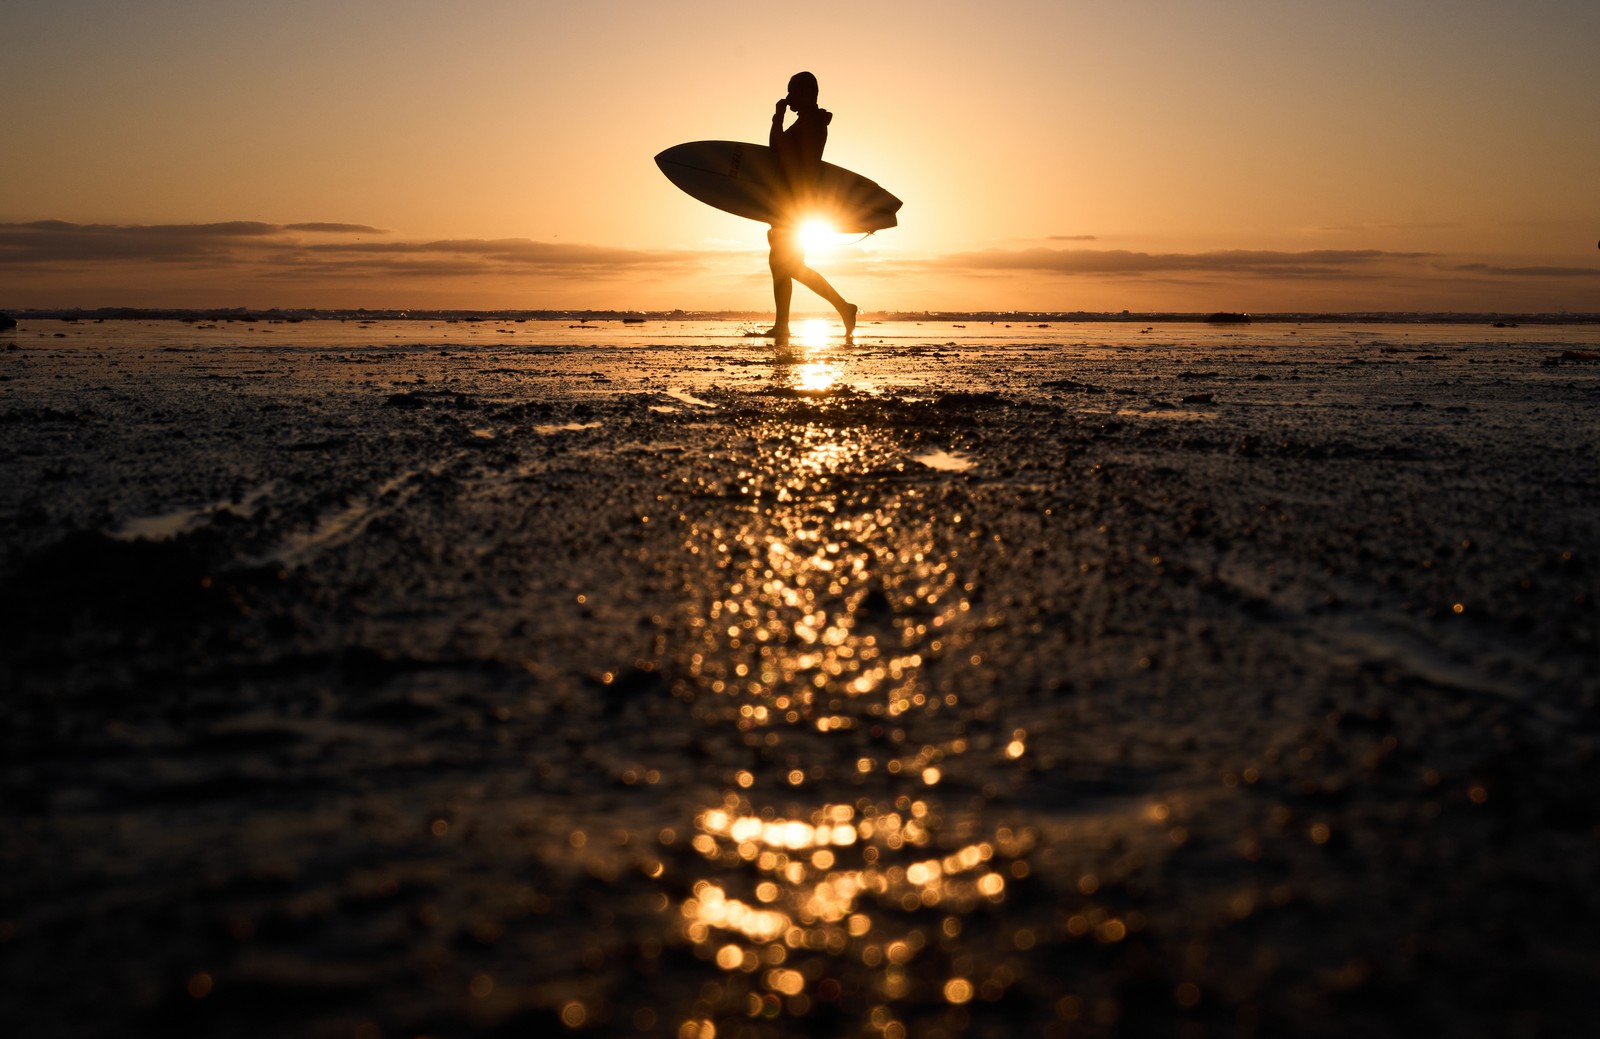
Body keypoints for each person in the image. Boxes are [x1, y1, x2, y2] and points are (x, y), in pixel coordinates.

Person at [763, 71, 857, 344]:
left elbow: (779, 149)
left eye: (793, 93)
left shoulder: (813, 124)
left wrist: (777, 116)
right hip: (788, 203)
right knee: (780, 266)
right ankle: (782, 325)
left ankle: (843, 307)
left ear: (807, 95)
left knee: (790, 266)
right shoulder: (805, 122)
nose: (788, 98)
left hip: (796, 204)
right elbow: (776, 147)